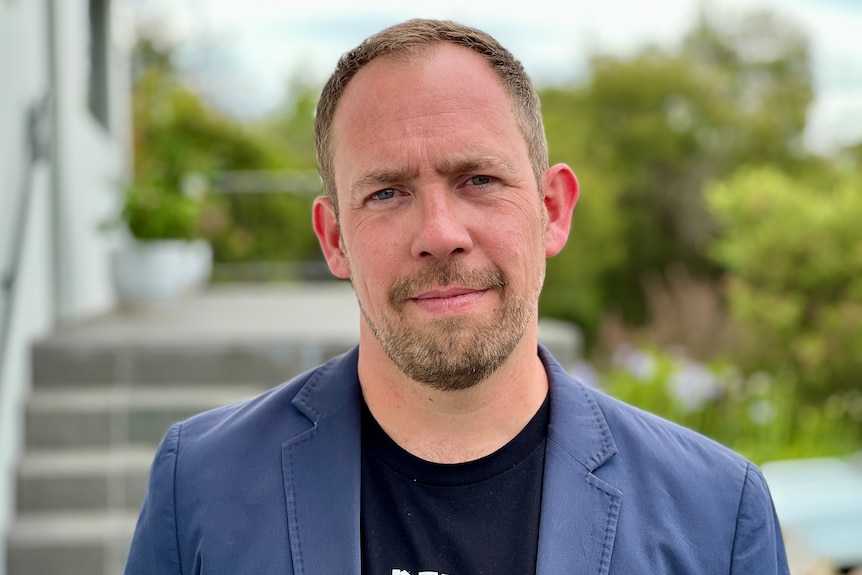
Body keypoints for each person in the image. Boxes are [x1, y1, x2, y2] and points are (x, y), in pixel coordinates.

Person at [124, 19, 789, 575]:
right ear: (334, 239)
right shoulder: (200, 488)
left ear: (553, 210)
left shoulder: (717, 513)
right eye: (386, 192)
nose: (439, 235)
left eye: (477, 179)